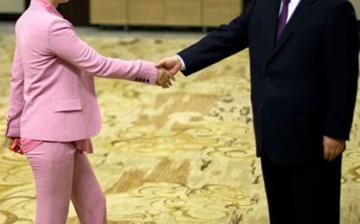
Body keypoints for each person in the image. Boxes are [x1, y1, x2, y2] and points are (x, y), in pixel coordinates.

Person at [157, 0, 359, 223]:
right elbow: (230, 35)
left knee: (314, 211)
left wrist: (336, 130)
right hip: (269, 131)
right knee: (281, 211)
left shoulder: (334, 8)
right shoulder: (264, 3)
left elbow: (343, 76)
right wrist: (181, 60)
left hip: (312, 138)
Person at [5, 0, 174, 223]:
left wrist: (15, 126)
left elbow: (19, 77)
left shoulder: (27, 19)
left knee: (93, 203)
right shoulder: (50, 26)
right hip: (50, 136)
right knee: (52, 217)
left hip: (62, 133)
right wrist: (149, 71)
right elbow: (98, 64)